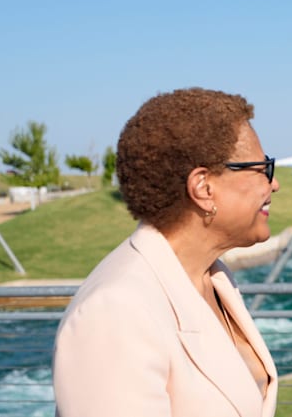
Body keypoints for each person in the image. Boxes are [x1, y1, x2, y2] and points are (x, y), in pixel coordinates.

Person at [53, 88, 280, 417]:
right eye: (262, 168)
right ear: (203, 187)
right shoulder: (114, 312)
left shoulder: (211, 278)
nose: (273, 184)